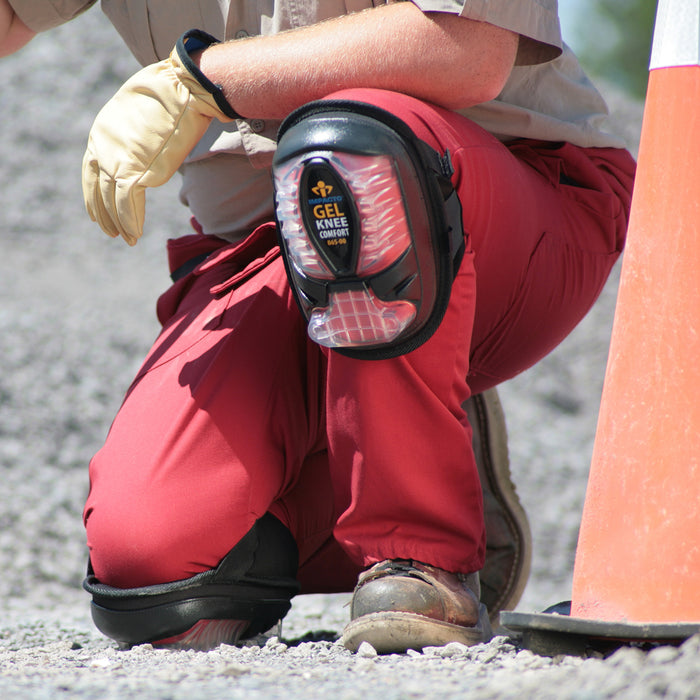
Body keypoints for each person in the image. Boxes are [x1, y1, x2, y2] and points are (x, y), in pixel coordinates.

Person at [2, 0, 635, 654]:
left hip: (493, 206)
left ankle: (422, 553)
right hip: (271, 248)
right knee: (153, 571)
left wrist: (202, 78)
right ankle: (429, 447)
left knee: (346, 153)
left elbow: (467, 49)